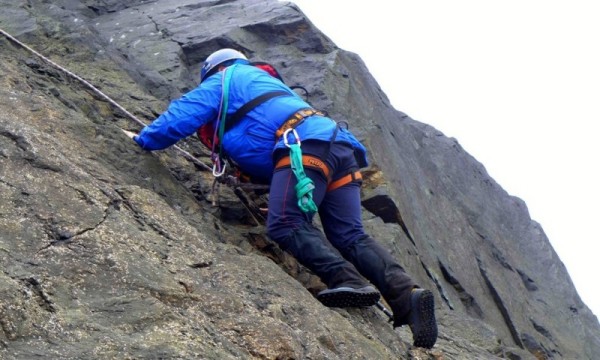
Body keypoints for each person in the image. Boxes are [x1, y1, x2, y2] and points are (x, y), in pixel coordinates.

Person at [128, 48, 438, 348]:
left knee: (285, 223)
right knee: (349, 235)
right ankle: (406, 295)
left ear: (214, 69)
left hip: (304, 147)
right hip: (339, 149)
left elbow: (183, 115)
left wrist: (145, 140)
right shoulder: (269, 85)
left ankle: (349, 281)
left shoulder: (223, 80)